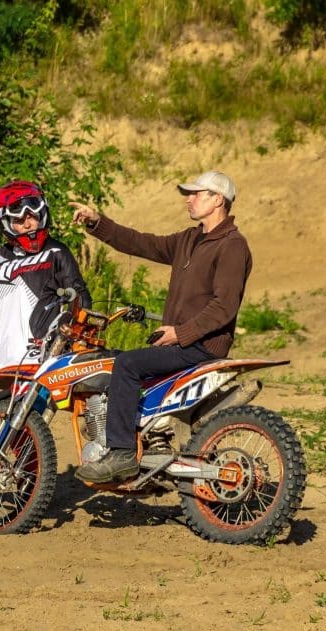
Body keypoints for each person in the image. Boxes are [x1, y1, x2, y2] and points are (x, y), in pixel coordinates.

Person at [68, 170, 252, 484]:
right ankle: (151, 449)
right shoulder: (189, 239)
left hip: (201, 346)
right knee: (126, 367)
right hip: (182, 342)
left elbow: (224, 307)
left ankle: (122, 454)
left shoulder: (232, 246)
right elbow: (141, 243)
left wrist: (180, 333)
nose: (189, 199)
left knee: (125, 365)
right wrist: (97, 222)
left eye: (196, 193)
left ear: (218, 199)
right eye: (188, 193)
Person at [0, 180, 92, 437]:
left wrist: (68, 339)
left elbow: (81, 298)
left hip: (40, 364)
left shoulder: (56, 252)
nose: (28, 224)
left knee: (18, 433)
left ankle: (31, 478)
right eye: (19, 219)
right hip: (1, 363)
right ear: (5, 223)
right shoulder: (0, 257)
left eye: (33, 216)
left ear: (42, 214)